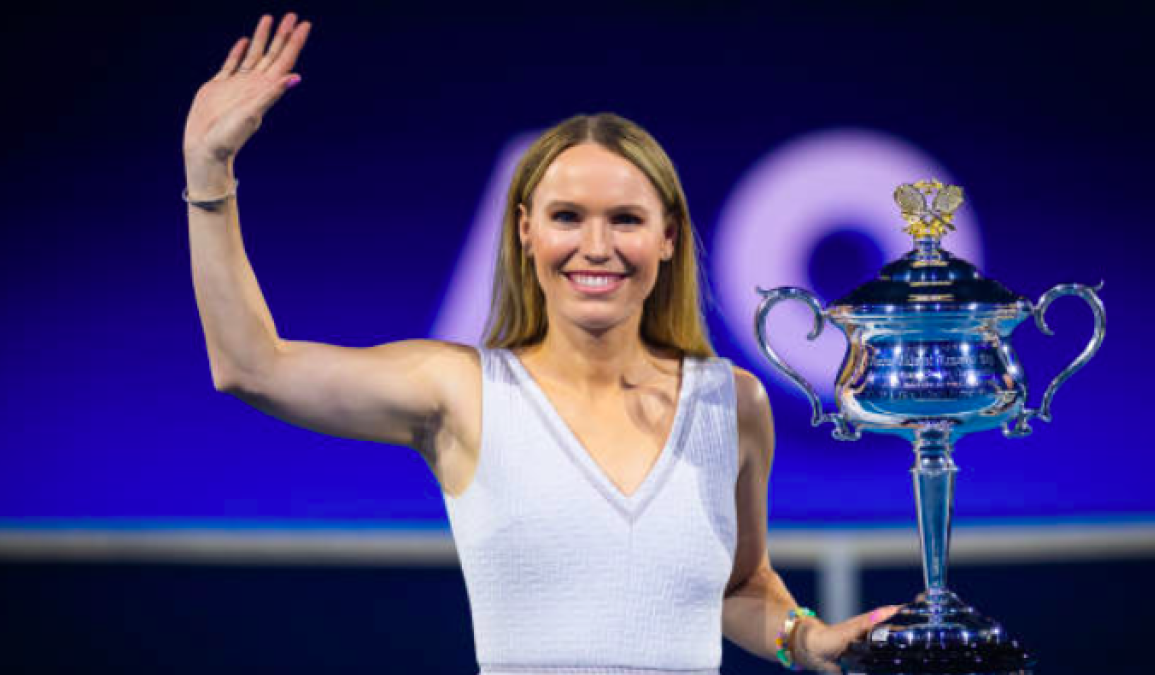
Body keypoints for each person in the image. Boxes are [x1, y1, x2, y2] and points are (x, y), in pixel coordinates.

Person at [183, 12, 898, 674]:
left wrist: (805, 637)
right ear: (526, 231)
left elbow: (742, 583)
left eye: (624, 219)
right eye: (566, 216)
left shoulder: (730, 402)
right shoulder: (461, 392)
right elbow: (252, 366)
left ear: (667, 238)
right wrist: (208, 173)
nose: (596, 247)